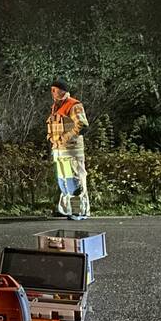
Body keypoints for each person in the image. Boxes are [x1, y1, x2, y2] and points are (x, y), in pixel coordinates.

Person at [47, 79, 90, 220]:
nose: (52, 92)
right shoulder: (56, 106)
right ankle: (66, 209)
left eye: (55, 89)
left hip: (72, 151)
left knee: (74, 182)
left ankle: (78, 211)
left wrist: (66, 137)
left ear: (62, 91)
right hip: (59, 151)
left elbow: (82, 125)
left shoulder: (73, 105)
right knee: (64, 181)